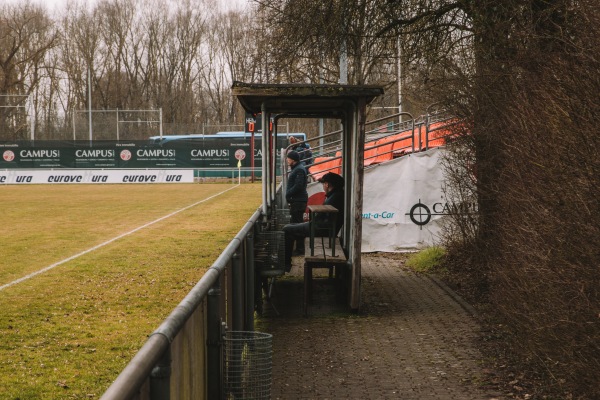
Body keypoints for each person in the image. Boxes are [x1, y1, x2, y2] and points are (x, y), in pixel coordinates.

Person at [282, 172, 344, 272]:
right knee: (290, 227)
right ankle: (286, 262)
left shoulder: (335, 197)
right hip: (323, 227)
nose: (323, 187)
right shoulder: (337, 194)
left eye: (324, 184)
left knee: (286, 230)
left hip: (321, 229)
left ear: (327, 184)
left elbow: (320, 216)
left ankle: (285, 264)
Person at [285, 150, 308, 255]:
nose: (287, 160)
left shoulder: (299, 170)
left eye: (288, 158)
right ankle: (299, 248)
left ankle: (300, 249)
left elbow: (298, 186)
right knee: (297, 224)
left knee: (297, 225)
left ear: (293, 160)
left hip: (298, 201)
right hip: (297, 200)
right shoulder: (297, 168)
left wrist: (288, 193)